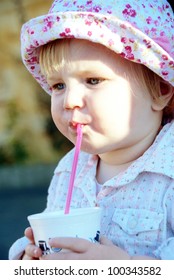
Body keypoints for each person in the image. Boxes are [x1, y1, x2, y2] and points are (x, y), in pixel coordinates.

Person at [9, 0, 174, 260]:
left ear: (161, 90)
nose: (69, 100)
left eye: (93, 80)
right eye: (58, 85)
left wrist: (125, 266)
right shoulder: (67, 171)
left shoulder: (169, 173)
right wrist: (27, 258)